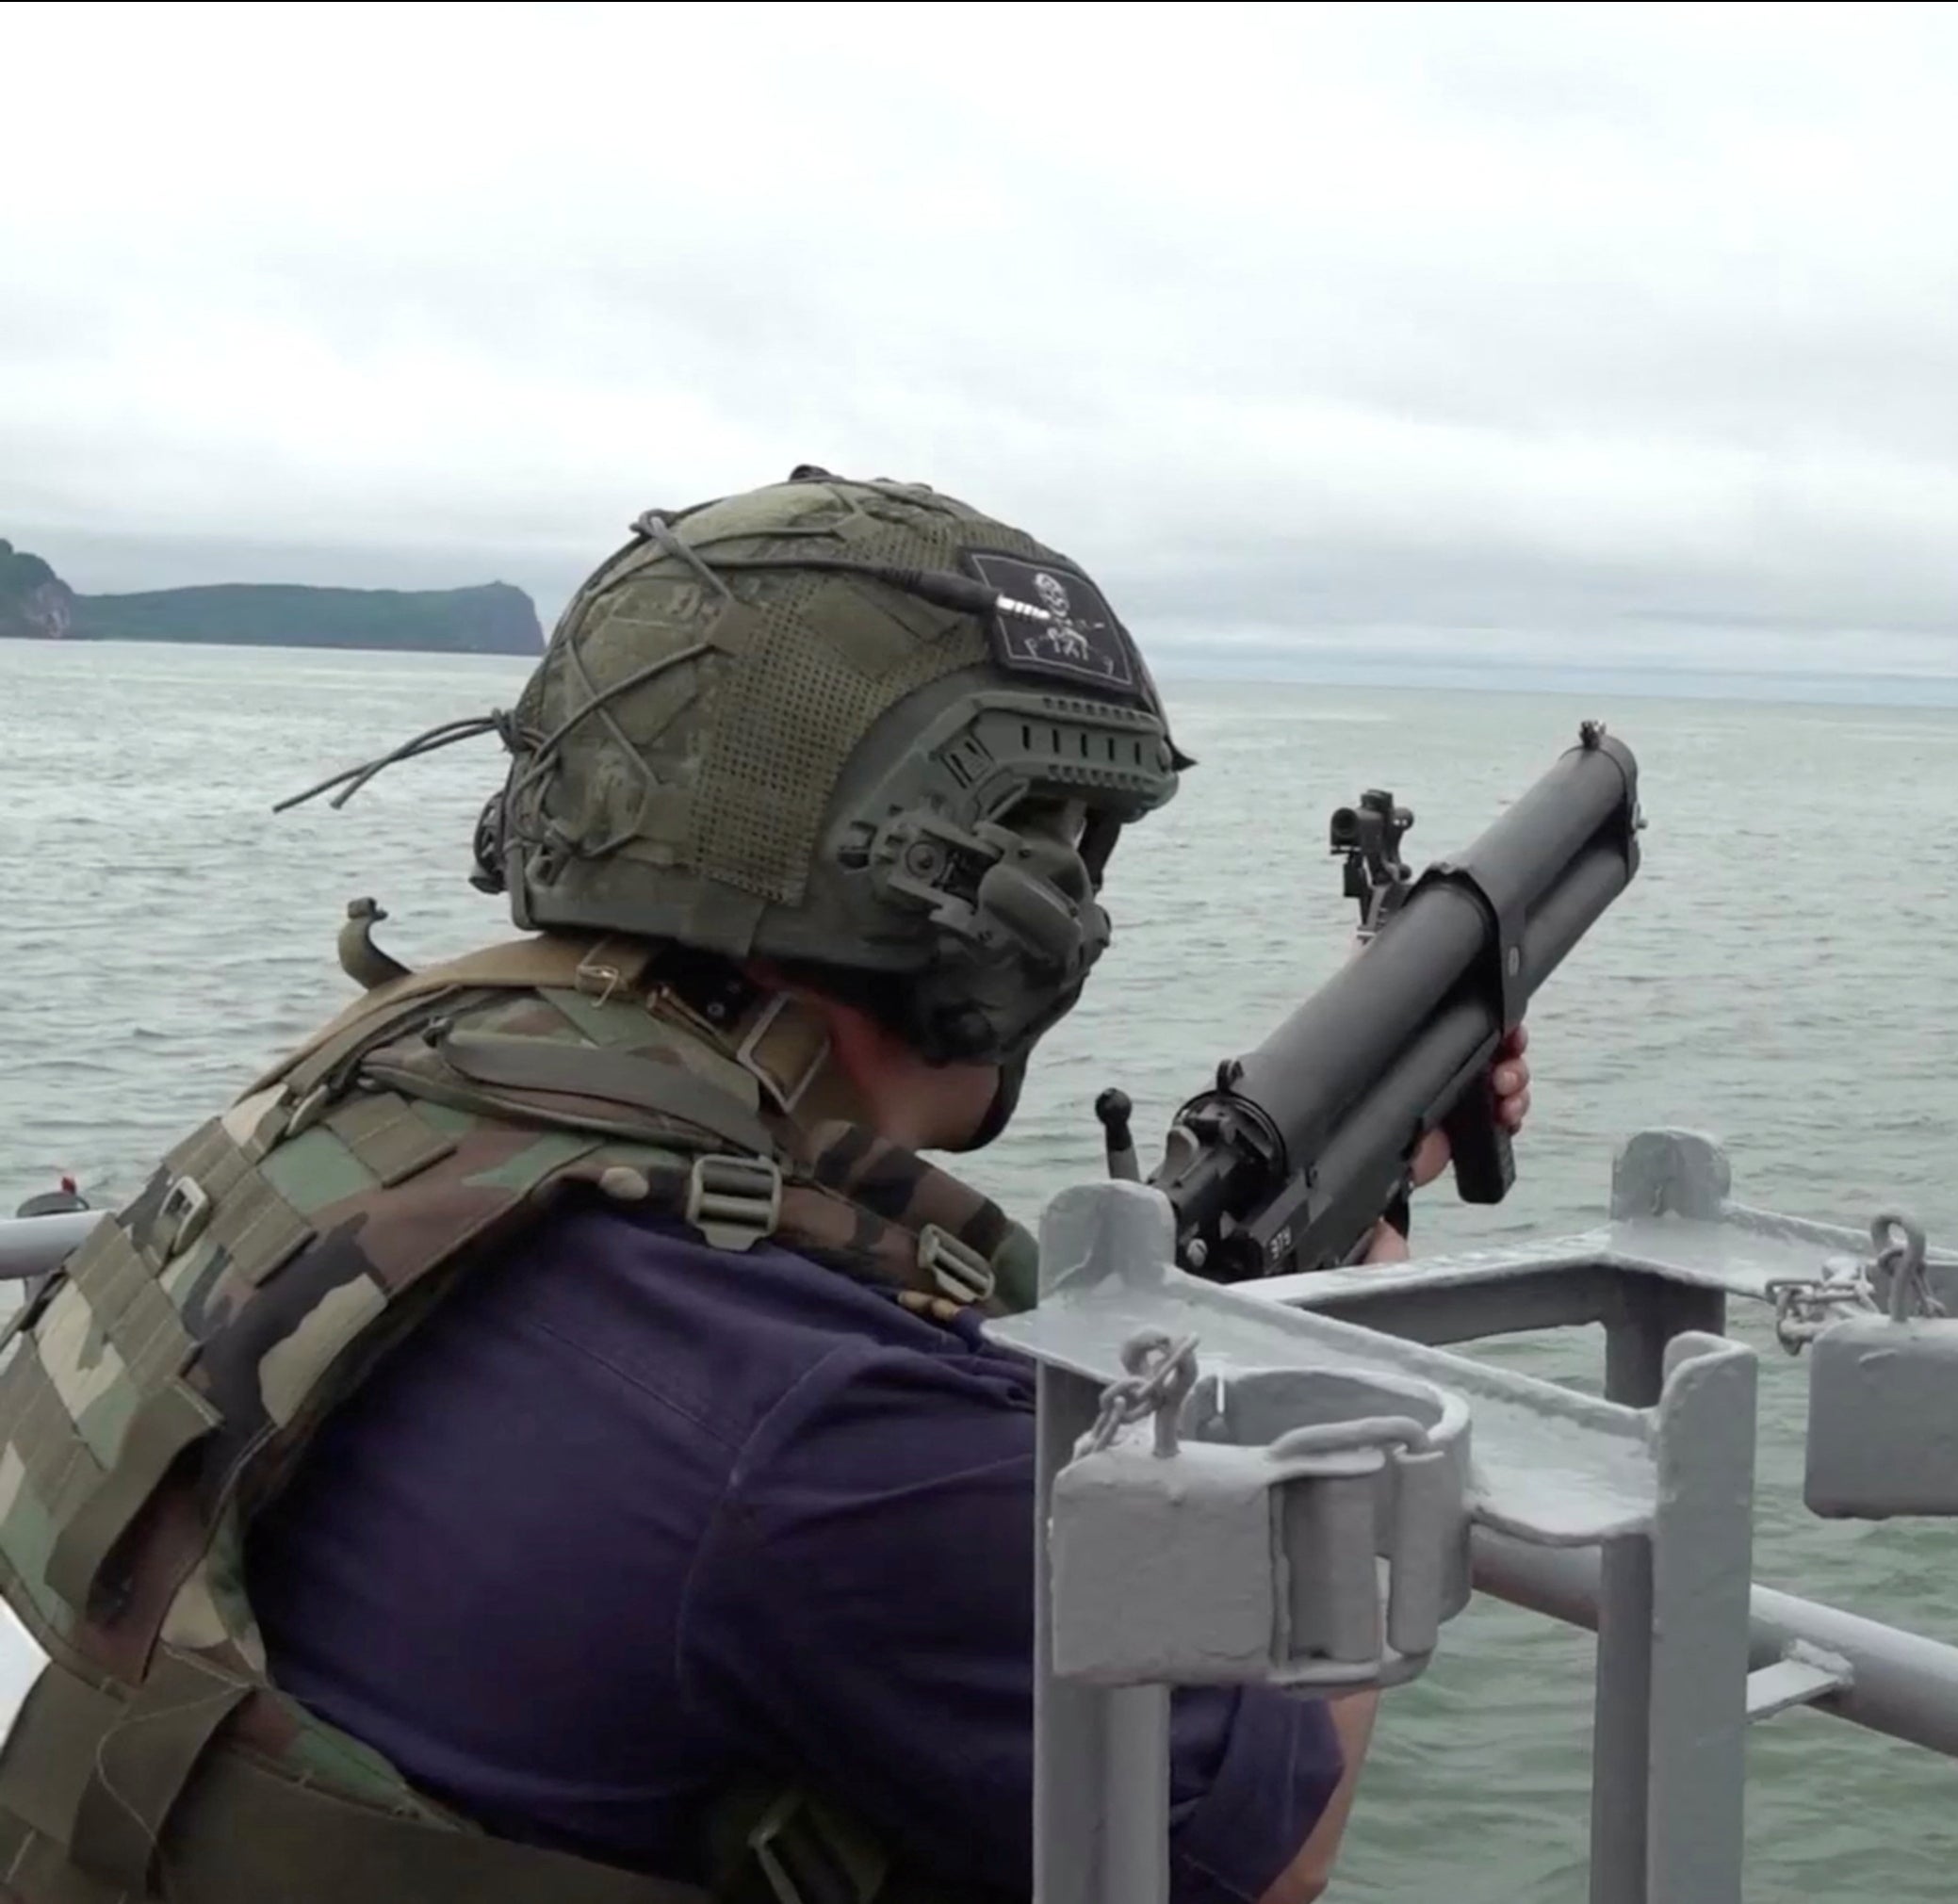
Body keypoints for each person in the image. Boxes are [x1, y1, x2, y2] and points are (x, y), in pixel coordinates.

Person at [0, 469, 1530, 1904]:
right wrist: (1340, 1331)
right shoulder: (806, 1430)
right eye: (1063, 843)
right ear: (975, 908)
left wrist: (1346, 1181)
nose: (1076, 907)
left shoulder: (383, 1097)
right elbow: (1266, 1841)